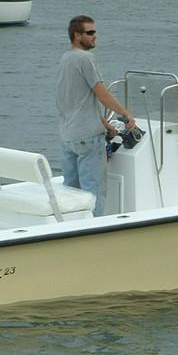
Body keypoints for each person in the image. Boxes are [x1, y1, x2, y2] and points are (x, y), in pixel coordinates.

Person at [56, 15, 135, 216]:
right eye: (90, 33)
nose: (95, 37)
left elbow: (75, 100)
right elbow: (102, 94)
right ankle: (96, 230)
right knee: (93, 192)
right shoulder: (85, 58)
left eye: (95, 32)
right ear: (76, 35)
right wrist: (126, 114)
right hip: (88, 139)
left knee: (71, 191)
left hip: (68, 136)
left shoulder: (66, 58)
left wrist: (105, 123)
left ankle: (72, 229)